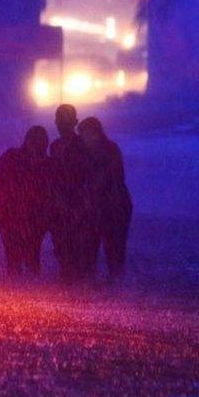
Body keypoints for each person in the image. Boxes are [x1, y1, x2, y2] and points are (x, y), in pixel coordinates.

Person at [0, 126, 52, 275]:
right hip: (14, 215)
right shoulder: (12, 157)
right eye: (35, 142)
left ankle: (21, 290)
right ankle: (25, 290)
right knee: (21, 257)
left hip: (28, 216)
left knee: (27, 256)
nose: (36, 147)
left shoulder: (13, 157)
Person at [78, 117, 132, 282]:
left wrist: (91, 194)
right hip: (104, 207)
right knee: (94, 246)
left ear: (95, 133)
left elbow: (111, 178)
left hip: (114, 207)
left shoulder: (109, 150)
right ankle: (102, 282)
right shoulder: (92, 152)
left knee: (113, 248)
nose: (83, 138)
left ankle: (114, 283)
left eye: (85, 134)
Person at [48, 104, 91, 282]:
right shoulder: (55, 146)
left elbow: (87, 173)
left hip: (77, 200)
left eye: (65, 120)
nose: (62, 124)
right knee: (61, 243)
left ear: (74, 121)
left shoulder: (82, 145)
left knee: (76, 243)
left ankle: (75, 279)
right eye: (60, 119)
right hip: (61, 201)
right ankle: (69, 277)